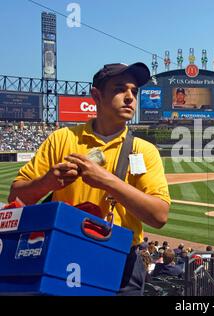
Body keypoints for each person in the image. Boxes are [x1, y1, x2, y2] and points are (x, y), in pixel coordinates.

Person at [8, 62, 171, 295]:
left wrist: (107, 181)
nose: (129, 97)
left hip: (122, 260)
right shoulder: (61, 139)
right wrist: (47, 183)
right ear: (96, 95)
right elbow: (15, 197)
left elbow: (159, 215)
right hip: (64, 253)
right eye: (119, 89)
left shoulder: (144, 150)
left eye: (134, 91)